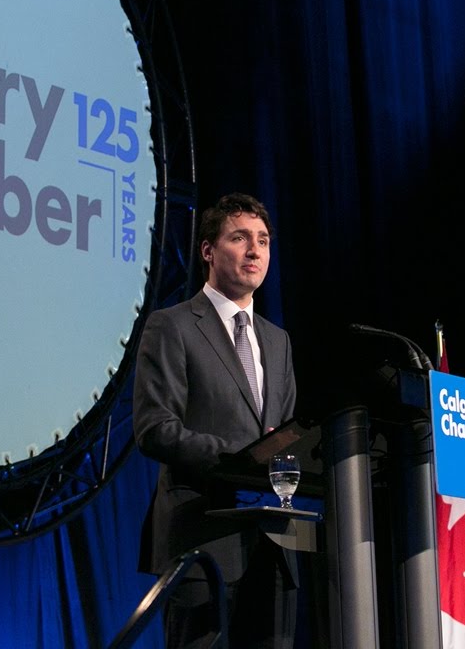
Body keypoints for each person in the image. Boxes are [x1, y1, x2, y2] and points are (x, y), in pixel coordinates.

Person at [133, 192, 297, 648]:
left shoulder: (278, 341)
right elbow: (154, 429)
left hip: (273, 545)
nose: (254, 251)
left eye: (263, 240)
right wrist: (244, 459)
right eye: (240, 238)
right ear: (208, 250)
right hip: (202, 541)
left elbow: (284, 435)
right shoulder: (173, 325)